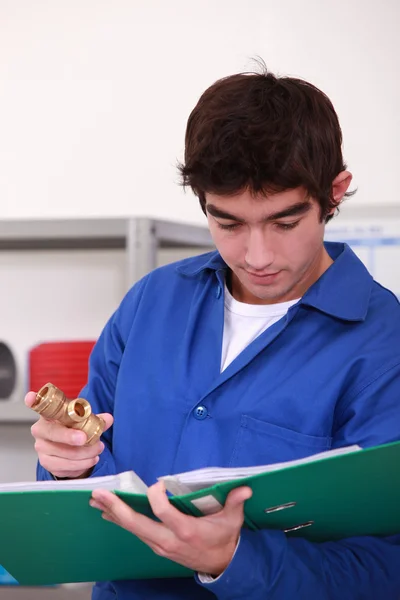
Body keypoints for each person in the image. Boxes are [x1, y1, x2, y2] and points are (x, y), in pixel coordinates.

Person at [26, 63, 400, 599]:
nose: (258, 256)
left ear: (335, 193)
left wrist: (236, 560)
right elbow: (89, 477)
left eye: (285, 223)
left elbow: (386, 571)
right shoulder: (151, 302)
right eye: (228, 224)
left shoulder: (384, 347)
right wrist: (66, 467)